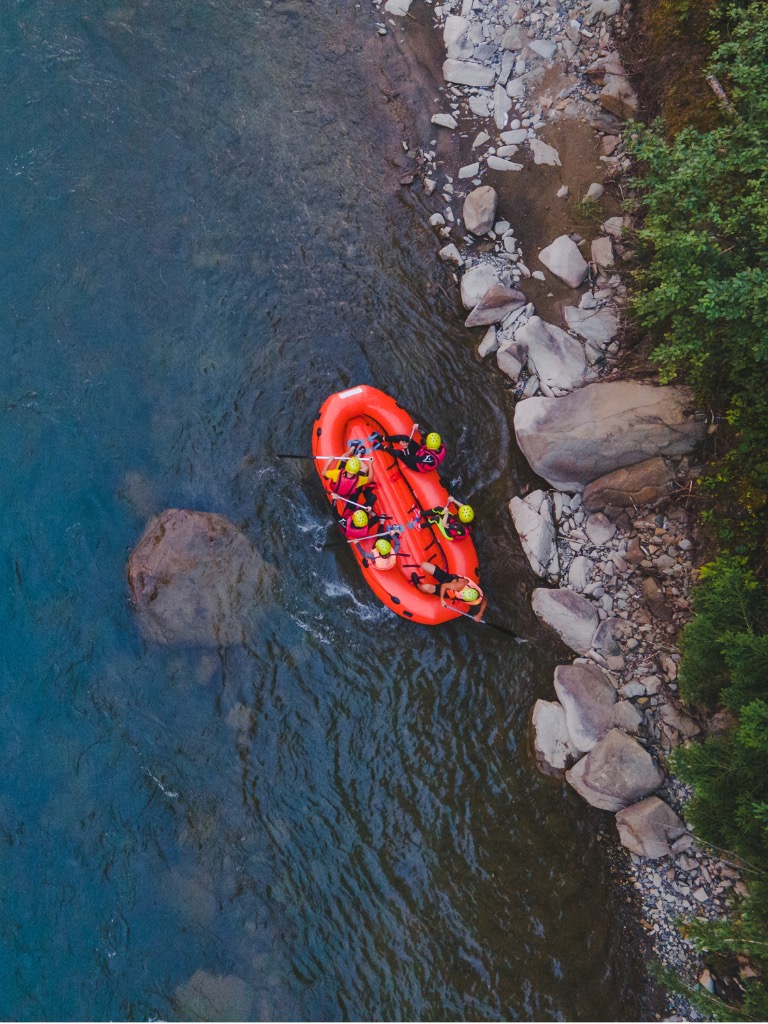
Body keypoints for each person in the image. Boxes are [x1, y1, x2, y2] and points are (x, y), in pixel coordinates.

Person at [413, 562, 487, 620]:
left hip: (448, 593)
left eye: (463, 597)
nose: (461, 596)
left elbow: (485, 601)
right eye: (462, 595)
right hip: (448, 580)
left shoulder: (478, 597)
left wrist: (480, 614)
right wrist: (442, 599)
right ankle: (436, 572)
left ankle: (418, 585)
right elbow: (444, 586)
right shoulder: (460, 585)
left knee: (424, 588)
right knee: (424, 565)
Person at [371, 423, 445, 473]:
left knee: (399, 453)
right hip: (421, 452)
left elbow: (410, 459)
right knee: (404, 438)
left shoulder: (430, 459)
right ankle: (382, 438)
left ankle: (382, 447)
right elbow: (427, 436)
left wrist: (406, 448)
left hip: (416, 464)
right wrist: (418, 428)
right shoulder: (438, 445)